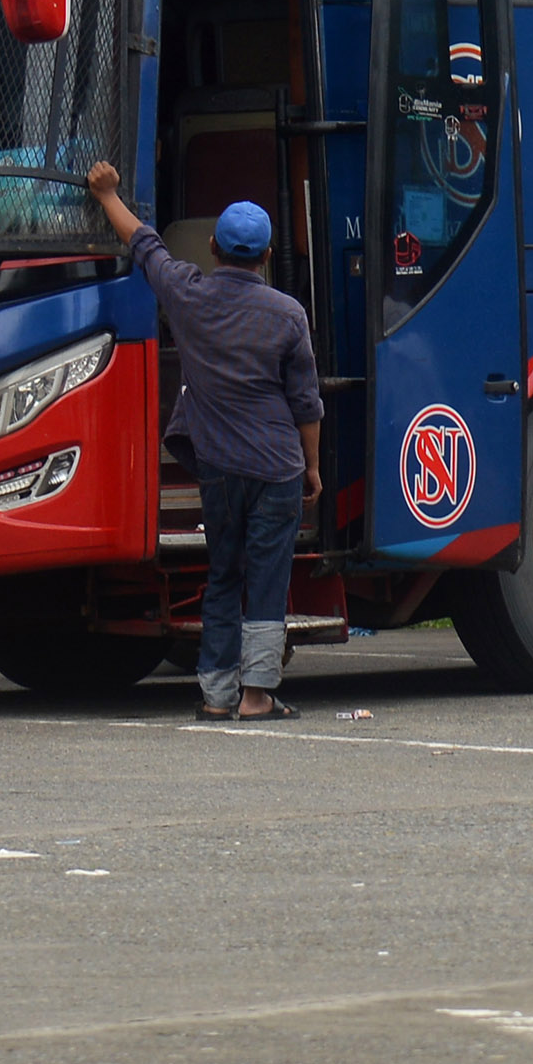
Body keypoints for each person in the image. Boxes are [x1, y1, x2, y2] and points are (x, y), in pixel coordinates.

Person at [88, 164, 321, 721]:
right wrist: (311, 468)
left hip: (217, 465)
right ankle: (258, 695)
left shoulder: (187, 294)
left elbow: (142, 242)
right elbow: (306, 405)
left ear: (213, 247)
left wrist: (107, 194)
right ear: (266, 257)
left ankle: (216, 695)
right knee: (268, 578)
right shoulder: (288, 315)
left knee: (224, 575)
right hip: (276, 466)